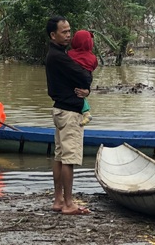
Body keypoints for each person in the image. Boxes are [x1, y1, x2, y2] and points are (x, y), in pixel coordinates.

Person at [45, 16, 93, 215]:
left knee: (59, 156)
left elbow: (77, 80)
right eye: (64, 32)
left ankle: (58, 200)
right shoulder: (59, 57)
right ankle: (68, 203)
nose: (68, 35)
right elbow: (84, 76)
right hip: (69, 113)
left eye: (69, 31)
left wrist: (86, 91)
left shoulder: (58, 55)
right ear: (53, 35)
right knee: (69, 159)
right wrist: (87, 84)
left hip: (60, 110)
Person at [67, 30, 98, 126]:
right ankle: (86, 112)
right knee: (82, 94)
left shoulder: (69, 54)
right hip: (87, 79)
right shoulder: (92, 57)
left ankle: (86, 113)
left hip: (73, 81)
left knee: (77, 93)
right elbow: (94, 66)